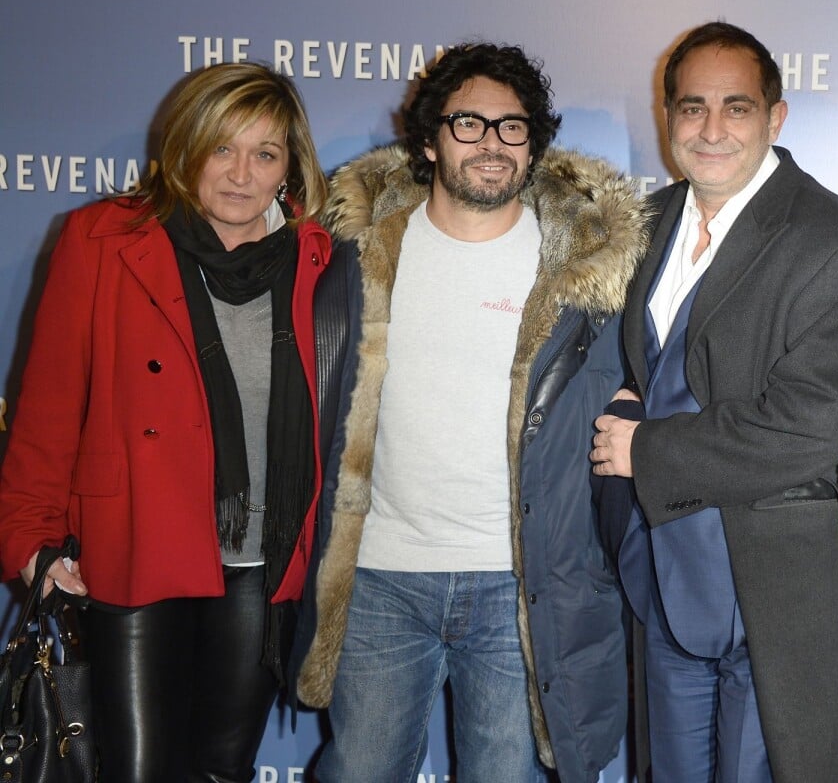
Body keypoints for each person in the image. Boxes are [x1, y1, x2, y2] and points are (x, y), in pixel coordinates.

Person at [291, 42, 646, 783]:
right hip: (381, 577)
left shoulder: (582, 269)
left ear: (534, 145)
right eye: (469, 124)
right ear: (427, 139)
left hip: (515, 587)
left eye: (512, 127)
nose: (491, 143)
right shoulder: (357, 257)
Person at [0, 62, 331, 782]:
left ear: (289, 167)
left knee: (221, 770)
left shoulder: (318, 260)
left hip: (258, 563)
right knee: (137, 771)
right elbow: (48, 410)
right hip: (135, 548)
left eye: (265, 153)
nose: (242, 174)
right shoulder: (103, 239)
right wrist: (29, 539)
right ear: (187, 150)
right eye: (223, 148)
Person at [590, 22, 838, 782]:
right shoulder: (646, 224)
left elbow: (811, 425)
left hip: (768, 590)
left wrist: (646, 448)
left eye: (737, 108)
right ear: (668, 120)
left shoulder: (836, 241)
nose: (712, 129)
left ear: (775, 118)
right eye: (692, 109)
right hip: (659, 573)